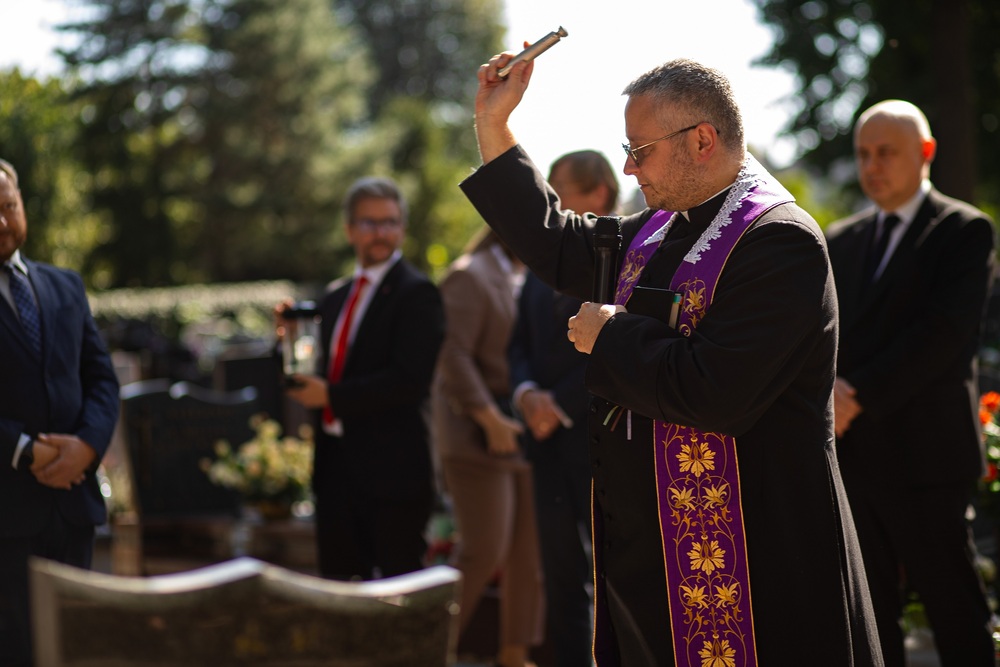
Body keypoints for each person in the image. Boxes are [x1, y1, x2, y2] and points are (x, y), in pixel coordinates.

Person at [461, 56, 883, 666]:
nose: (628, 166)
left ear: (702, 140)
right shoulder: (662, 227)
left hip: (752, 559)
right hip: (653, 558)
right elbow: (557, 239)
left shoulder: (780, 241)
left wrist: (610, 337)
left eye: (640, 149)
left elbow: (716, 390)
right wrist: (493, 123)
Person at [826, 100, 996, 666]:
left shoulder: (962, 230)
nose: (873, 166)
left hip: (929, 460)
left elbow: (943, 337)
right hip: (856, 457)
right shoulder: (841, 240)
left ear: (925, 153)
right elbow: (824, 330)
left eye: (887, 153)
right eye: (864, 154)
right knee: (870, 621)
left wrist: (854, 396)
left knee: (956, 613)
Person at [279, 176, 444, 581]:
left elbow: (409, 381)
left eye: (390, 222)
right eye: (369, 223)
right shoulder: (335, 296)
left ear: (402, 228)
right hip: (336, 472)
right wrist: (284, 341)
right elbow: (312, 368)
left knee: (397, 599)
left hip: (393, 476)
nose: (381, 232)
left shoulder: (418, 293)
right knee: (338, 593)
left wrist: (332, 397)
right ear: (349, 229)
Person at [0, 158, 120, 666]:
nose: (3, 222)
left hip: (74, 507)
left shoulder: (66, 285)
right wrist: (26, 451)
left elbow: (101, 378)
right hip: (7, 512)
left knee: (79, 646)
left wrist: (88, 447)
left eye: (9, 207)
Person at [508, 149, 618, 667]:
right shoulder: (539, 262)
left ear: (597, 193)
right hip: (543, 441)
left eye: (558, 186)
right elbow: (517, 345)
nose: (548, 199)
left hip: (601, 442)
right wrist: (527, 395)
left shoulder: (622, 258)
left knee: (613, 576)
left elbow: (622, 346)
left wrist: (563, 405)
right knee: (559, 576)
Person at [431, 228, 543, 667]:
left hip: (522, 432)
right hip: (475, 435)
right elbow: (453, 354)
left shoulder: (531, 274)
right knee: (485, 550)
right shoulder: (468, 275)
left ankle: (514, 654)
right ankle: (430, 647)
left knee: (528, 554)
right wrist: (488, 418)